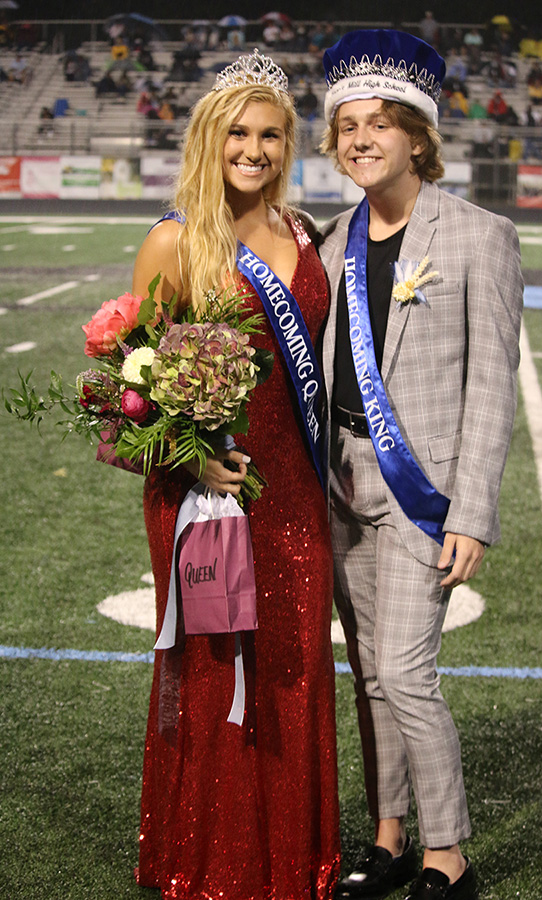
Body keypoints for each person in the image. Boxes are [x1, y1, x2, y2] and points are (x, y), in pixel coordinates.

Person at [318, 29, 523, 900]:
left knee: (406, 672)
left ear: (418, 136)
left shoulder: (480, 235)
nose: (360, 139)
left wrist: (472, 509)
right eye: (346, 126)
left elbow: (492, 384)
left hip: (423, 493)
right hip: (339, 490)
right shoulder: (328, 241)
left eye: (379, 124)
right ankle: (389, 836)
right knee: (369, 675)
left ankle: (448, 854)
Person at [131, 50, 340, 899]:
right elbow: (130, 390)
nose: (254, 150)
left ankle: (292, 858)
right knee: (220, 671)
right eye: (238, 135)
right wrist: (191, 458)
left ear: (287, 145)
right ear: (210, 141)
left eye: (270, 136)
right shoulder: (175, 240)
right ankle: (206, 860)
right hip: (209, 493)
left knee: (294, 662)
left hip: (298, 484)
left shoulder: (302, 232)